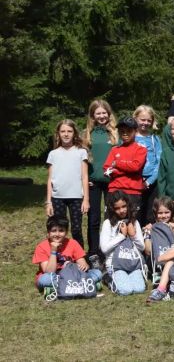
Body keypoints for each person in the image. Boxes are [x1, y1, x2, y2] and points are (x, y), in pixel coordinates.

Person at [33, 216, 103, 299]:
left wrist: (83, 266)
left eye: (61, 231)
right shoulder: (41, 247)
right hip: (54, 277)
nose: (57, 234)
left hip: (71, 275)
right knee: (45, 279)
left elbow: (84, 264)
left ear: (66, 232)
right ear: (48, 233)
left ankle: (58, 289)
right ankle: (85, 285)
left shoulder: (72, 243)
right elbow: (49, 272)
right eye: (54, 231)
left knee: (97, 273)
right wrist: (53, 251)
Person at [46, 119, 90, 249]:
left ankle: (80, 257)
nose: (66, 134)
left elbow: (84, 176)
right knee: (58, 230)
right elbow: (50, 179)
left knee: (76, 229)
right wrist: (48, 202)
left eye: (69, 131)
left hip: (76, 198)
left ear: (74, 133)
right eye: (63, 131)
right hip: (57, 198)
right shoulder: (53, 154)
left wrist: (86, 199)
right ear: (58, 134)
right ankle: (58, 256)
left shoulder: (81, 152)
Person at [84, 99, 118, 261]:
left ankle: (111, 251)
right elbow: (81, 160)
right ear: (93, 115)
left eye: (104, 112)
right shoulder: (87, 134)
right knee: (94, 218)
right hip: (93, 182)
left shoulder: (115, 133)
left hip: (113, 181)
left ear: (109, 113)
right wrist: (83, 179)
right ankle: (93, 252)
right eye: (98, 113)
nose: (102, 115)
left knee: (112, 217)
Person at [99, 191, 146, 295]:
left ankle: (125, 277)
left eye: (124, 206)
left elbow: (142, 247)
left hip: (132, 263)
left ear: (128, 205)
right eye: (117, 208)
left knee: (139, 289)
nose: (121, 210)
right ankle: (108, 278)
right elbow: (104, 248)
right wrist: (121, 236)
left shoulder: (134, 222)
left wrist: (133, 235)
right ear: (112, 209)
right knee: (126, 290)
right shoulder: (108, 223)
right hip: (116, 265)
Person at [104, 117, 148, 215]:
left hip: (133, 192)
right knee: (111, 222)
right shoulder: (114, 149)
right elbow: (107, 169)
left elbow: (136, 167)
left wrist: (117, 164)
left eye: (129, 131)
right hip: (114, 190)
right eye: (122, 131)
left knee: (132, 223)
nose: (125, 133)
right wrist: (126, 169)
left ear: (136, 131)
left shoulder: (141, 149)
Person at [134, 105, 163, 223]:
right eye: (142, 119)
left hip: (151, 182)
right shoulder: (129, 137)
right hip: (134, 182)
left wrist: (149, 181)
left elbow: (159, 161)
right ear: (135, 118)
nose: (145, 123)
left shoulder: (154, 139)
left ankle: (149, 240)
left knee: (150, 215)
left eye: (148, 120)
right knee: (135, 213)